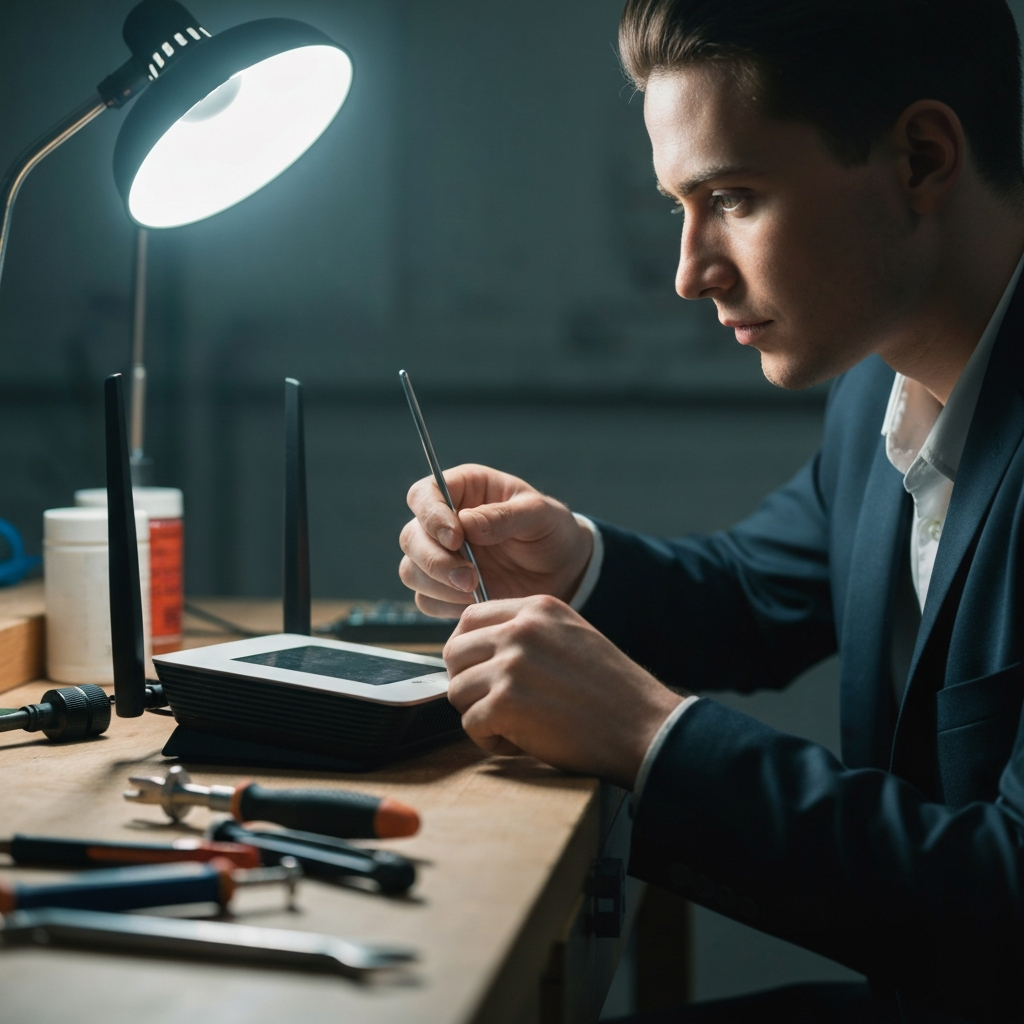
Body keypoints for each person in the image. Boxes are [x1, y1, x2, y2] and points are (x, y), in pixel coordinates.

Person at [399, 2, 1024, 1021]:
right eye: (678, 206)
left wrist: (651, 737)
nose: (690, 273)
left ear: (919, 156)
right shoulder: (881, 376)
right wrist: (570, 566)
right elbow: (758, 591)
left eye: (732, 196)